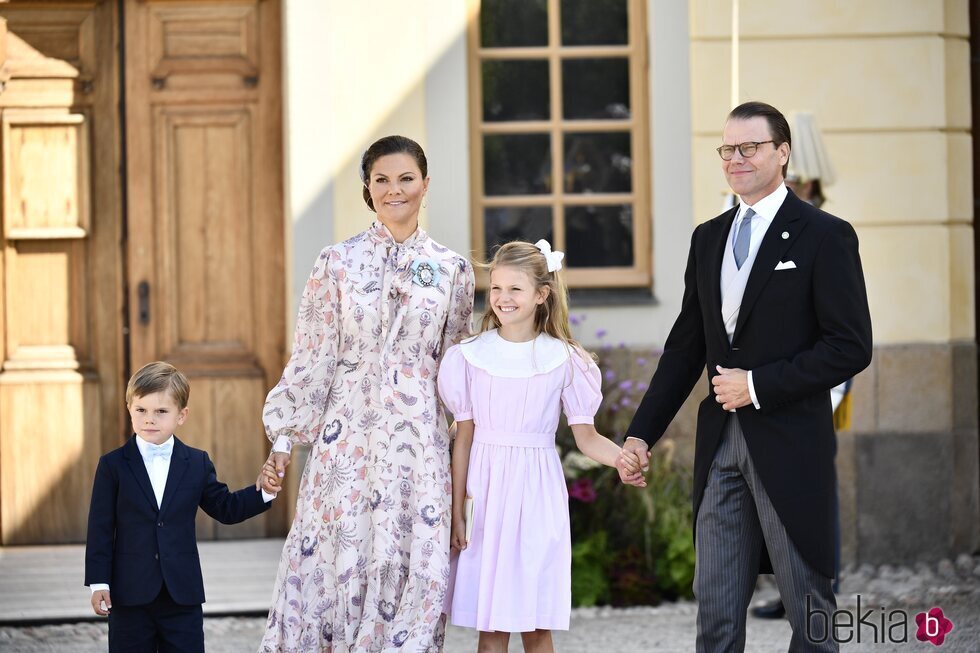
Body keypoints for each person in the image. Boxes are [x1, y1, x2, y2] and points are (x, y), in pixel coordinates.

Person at [623, 101, 873, 652]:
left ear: (782, 153)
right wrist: (640, 435)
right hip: (720, 449)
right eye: (727, 149)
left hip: (790, 443)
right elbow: (686, 347)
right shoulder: (707, 238)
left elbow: (850, 347)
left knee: (809, 611)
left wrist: (758, 385)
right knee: (714, 613)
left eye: (749, 148)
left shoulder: (824, 235)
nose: (735, 159)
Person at [256, 135, 476, 651]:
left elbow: (458, 376)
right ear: (367, 189)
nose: (394, 190)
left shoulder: (451, 271)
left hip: (418, 454)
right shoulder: (335, 262)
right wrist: (284, 441)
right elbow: (311, 357)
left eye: (405, 179)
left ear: (425, 185)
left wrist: (466, 476)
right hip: (346, 447)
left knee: (412, 575)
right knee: (332, 573)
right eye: (381, 180)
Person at [437, 240, 645, 653]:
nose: (503, 298)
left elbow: (586, 437)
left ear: (541, 294)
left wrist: (621, 459)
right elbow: (463, 439)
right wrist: (457, 510)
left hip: (537, 495)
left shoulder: (565, 360)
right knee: (491, 626)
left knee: (536, 625)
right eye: (495, 288)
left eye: (515, 289)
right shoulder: (469, 357)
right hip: (486, 494)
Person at [85, 361, 274, 652]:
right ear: (129, 409)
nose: (150, 419)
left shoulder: (196, 463)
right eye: (141, 410)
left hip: (182, 596)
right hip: (130, 595)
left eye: (161, 411)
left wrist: (263, 492)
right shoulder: (112, 465)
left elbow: (226, 507)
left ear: (181, 415)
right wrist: (99, 582)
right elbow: (100, 527)